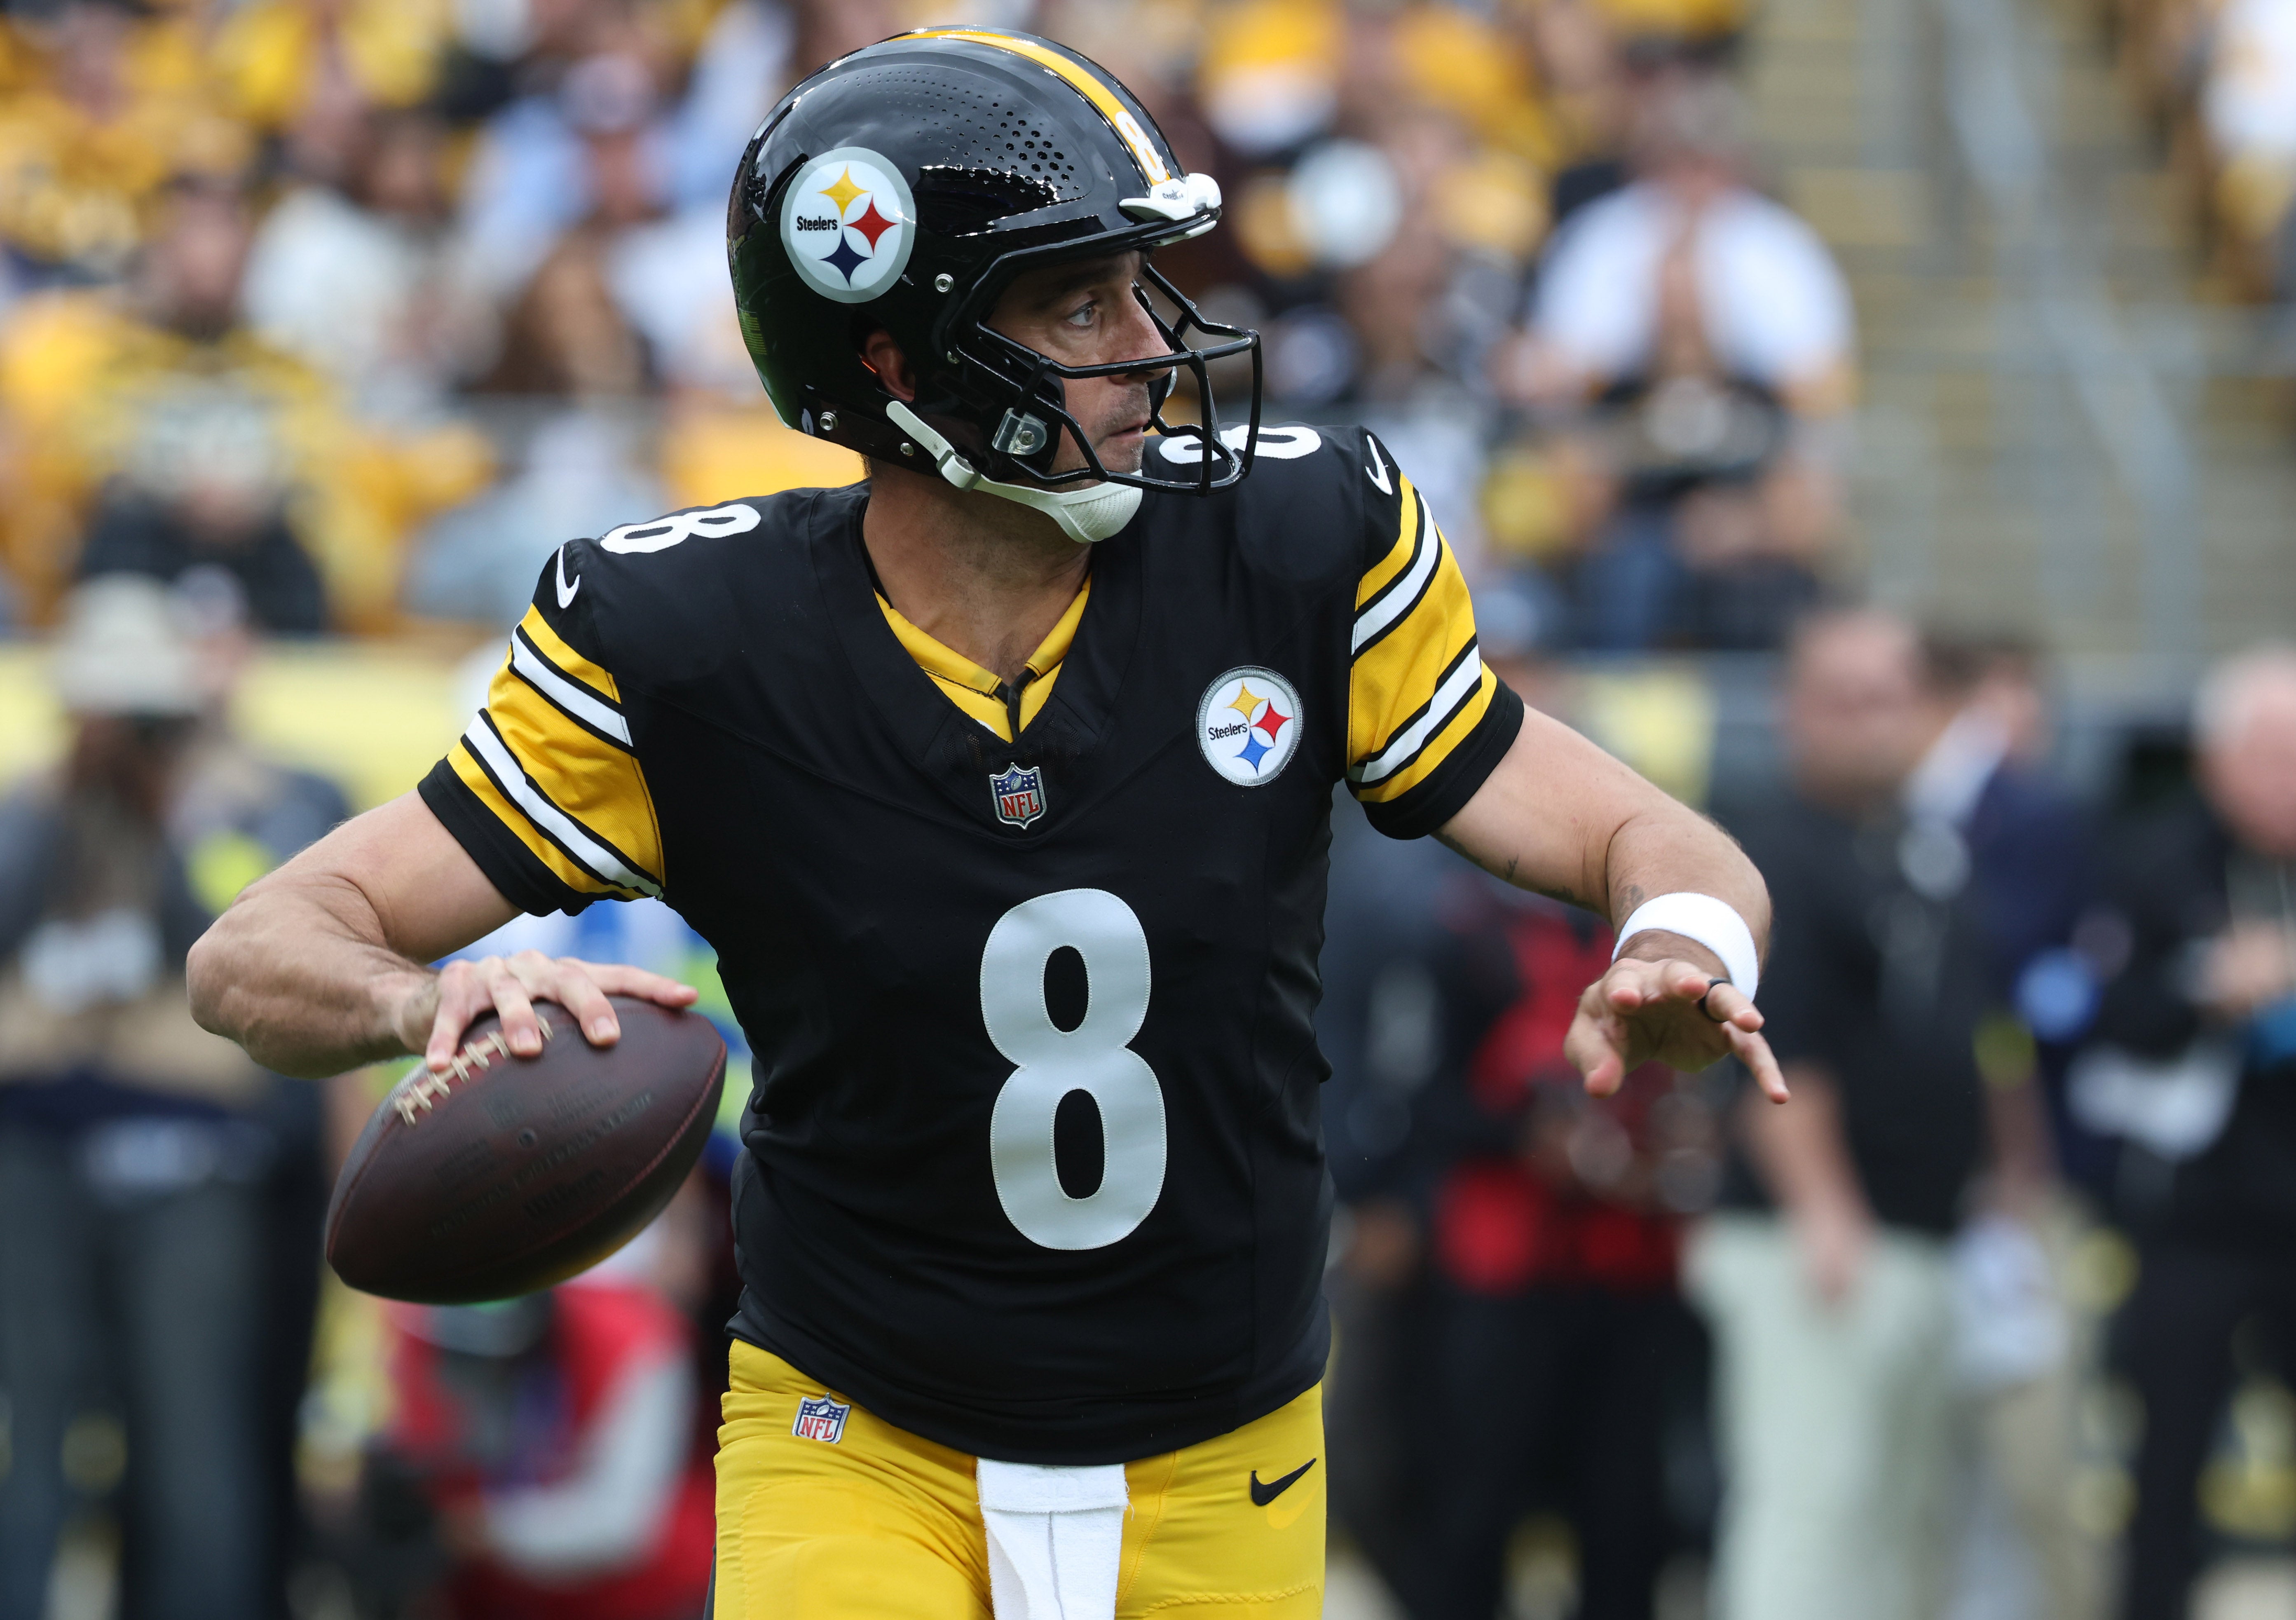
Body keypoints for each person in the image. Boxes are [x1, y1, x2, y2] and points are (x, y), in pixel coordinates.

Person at [187, 29, 1783, 1620]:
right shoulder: (688, 641)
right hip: (858, 1423)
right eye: (1077, 303)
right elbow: (254, 952)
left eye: (1138, 290)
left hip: (1225, 1432)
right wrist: (427, 997)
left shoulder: (1294, 548)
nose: (1147, 346)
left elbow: (1665, 841)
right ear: (896, 359)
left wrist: (1678, 941)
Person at [0, 576, 344, 1620]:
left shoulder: (262, 809)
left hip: (199, 1179)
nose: (127, 739)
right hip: (42, 1174)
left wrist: (85, 1029)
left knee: (194, 1438)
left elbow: (252, 1041)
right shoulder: (30, 821)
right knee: (37, 1432)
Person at [1689, 609, 1988, 1620]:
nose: (1870, 722)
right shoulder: (1767, 854)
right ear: (1792, 710)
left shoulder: (1920, 849)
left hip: (1918, 1230)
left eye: (1889, 697)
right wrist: (1823, 1208)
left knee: (1901, 1534)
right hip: (1813, 1239)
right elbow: (1774, 1050)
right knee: (1810, 1525)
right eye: (1843, 697)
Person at [2091, 646, 2296, 1620]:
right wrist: (2209, 990)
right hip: (2195, 1211)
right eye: (2273, 754)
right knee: (2168, 1455)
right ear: (2217, 761)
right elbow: (2099, 1020)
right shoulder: (2155, 856)